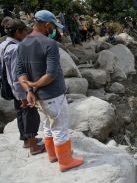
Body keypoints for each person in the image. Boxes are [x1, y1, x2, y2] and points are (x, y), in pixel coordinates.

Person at [16, 10, 84, 172]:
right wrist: (35, 86)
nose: (53, 29)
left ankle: (53, 155)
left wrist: (30, 89)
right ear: (46, 24)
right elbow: (51, 74)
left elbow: (20, 73)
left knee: (47, 124)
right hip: (53, 94)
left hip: (39, 97)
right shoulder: (49, 44)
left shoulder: (23, 44)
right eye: (52, 26)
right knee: (60, 127)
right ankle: (66, 161)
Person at [0, 19, 44, 155]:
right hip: (20, 88)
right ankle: (34, 147)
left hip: (10, 86)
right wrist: (25, 93)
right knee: (30, 114)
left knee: (20, 113)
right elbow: (16, 75)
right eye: (24, 31)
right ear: (18, 32)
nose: (27, 33)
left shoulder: (4, 45)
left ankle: (26, 140)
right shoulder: (16, 48)